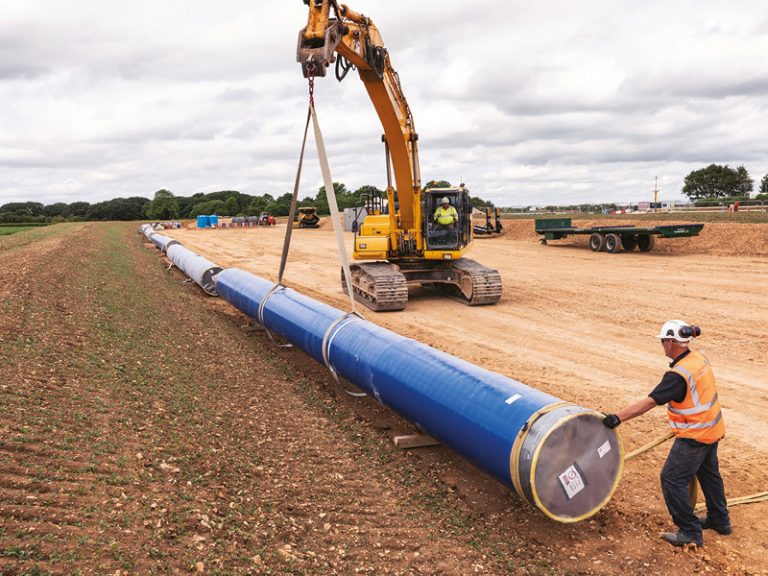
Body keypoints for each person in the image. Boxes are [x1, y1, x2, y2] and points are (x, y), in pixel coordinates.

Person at [603, 320, 730, 547]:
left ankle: (690, 532)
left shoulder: (677, 376)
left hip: (695, 436)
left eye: (663, 342)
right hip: (712, 429)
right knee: (709, 475)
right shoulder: (698, 358)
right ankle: (720, 520)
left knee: (672, 479)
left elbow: (650, 402)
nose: (662, 346)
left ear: (671, 343)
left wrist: (617, 417)